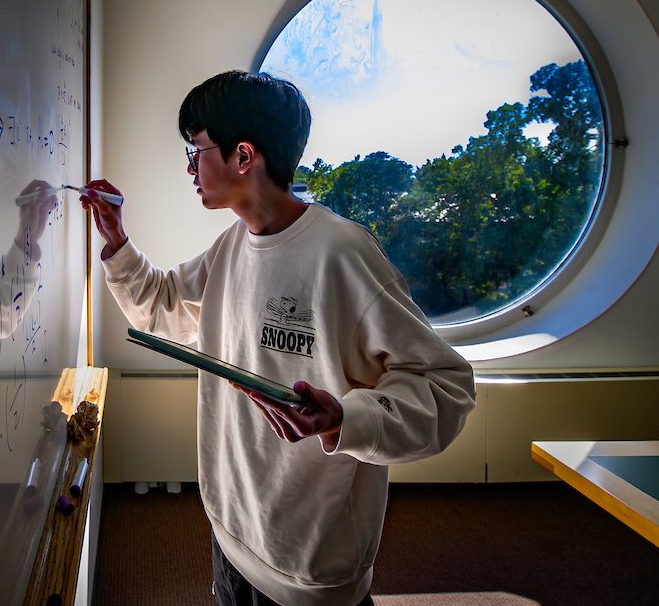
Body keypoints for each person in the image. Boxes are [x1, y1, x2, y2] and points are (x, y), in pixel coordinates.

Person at [80, 70, 476, 606]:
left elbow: (446, 388)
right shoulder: (231, 248)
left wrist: (345, 419)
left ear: (244, 157)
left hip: (307, 566)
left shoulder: (341, 253)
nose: (191, 167)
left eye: (197, 150)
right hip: (231, 529)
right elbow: (160, 305)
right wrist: (115, 238)